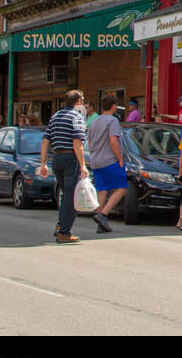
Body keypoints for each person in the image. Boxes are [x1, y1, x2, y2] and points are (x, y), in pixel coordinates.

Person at [39, 89, 89, 243]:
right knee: (71, 196)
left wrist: (43, 163)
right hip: (70, 159)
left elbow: (46, 141)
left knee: (65, 194)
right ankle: (64, 232)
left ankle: (61, 225)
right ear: (79, 101)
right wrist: (83, 165)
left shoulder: (55, 116)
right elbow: (77, 142)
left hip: (57, 158)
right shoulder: (77, 117)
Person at [87, 96, 127, 232]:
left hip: (95, 160)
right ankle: (103, 215)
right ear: (114, 106)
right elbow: (113, 141)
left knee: (102, 190)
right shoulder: (113, 121)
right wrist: (120, 158)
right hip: (109, 159)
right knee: (121, 187)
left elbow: (90, 143)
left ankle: (100, 223)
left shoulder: (94, 122)